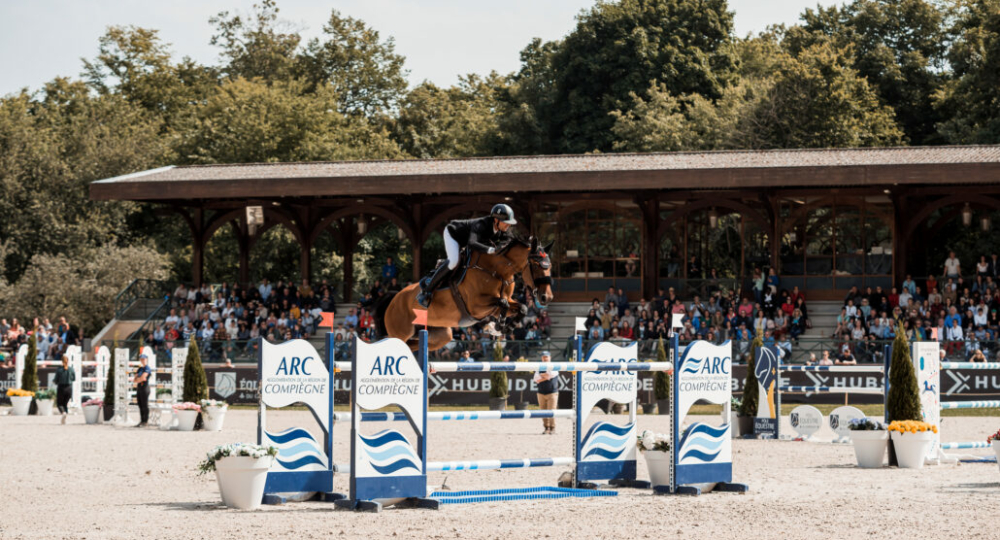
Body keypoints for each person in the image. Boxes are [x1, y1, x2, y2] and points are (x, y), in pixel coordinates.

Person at [417, 204, 516, 308]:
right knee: (454, 261)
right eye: (506, 222)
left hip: (466, 241)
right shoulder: (481, 224)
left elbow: (510, 240)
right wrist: (491, 250)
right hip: (454, 235)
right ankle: (427, 291)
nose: (508, 225)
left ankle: (443, 265)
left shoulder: (503, 229)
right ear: (496, 220)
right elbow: (472, 243)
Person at [534, 351, 559, 435]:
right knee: (543, 411)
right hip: (541, 392)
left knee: (552, 411)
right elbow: (536, 379)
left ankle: (553, 428)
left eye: (546, 357)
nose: (545, 358)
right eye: (543, 357)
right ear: (541, 358)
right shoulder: (539, 366)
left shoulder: (554, 366)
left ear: (550, 357)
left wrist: (542, 376)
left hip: (552, 392)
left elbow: (551, 375)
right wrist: (546, 376)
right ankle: (546, 428)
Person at [54, 354, 76, 424]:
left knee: (59, 404)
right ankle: (65, 416)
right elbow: (74, 379)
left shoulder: (59, 370)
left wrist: (55, 381)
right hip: (69, 388)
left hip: (61, 388)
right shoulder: (71, 369)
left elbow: (56, 380)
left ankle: (63, 413)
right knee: (65, 404)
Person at [133, 354, 152, 427]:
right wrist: (139, 379)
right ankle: (141, 421)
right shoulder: (140, 369)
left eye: (144, 359)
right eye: (141, 359)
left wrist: (139, 379)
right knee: (140, 405)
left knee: (144, 405)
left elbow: (143, 377)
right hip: (139, 388)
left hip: (145, 388)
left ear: (146, 359)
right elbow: (135, 379)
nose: (142, 360)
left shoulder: (147, 368)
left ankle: (145, 421)